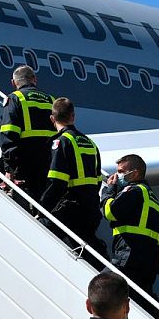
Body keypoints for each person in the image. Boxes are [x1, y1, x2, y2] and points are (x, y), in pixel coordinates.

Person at [41, 98, 105, 253]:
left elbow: (57, 182)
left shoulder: (61, 142)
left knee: (41, 229)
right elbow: (97, 181)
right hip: (91, 208)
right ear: (73, 116)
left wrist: (42, 207)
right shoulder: (90, 143)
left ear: (52, 118)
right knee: (85, 247)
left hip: (72, 208)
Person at [100, 153, 159, 295]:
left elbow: (110, 213)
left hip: (127, 256)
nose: (117, 175)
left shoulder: (133, 191)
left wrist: (109, 190)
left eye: (121, 171)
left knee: (100, 287)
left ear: (134, 174)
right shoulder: (157, 202)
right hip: (147, 266)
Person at [0, 65, 56, 189]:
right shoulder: (51, 100)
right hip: (50, 163)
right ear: (34, 79)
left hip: (26, 164)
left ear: (13, 83)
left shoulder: (15, 99)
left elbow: (9, 133)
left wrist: (9, 168)